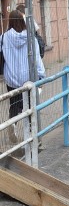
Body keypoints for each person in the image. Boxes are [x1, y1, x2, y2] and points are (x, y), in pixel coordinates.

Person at [2, 9, 46, 143]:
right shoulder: (31, 38)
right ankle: (31, 132)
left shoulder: (4, 37)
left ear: (10, 22)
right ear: (23, 21)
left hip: (11, 78)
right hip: (29, 78)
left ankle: (13, 124)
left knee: (14, 103)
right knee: (31, 104)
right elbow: (37, 59)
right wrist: (41, 75)